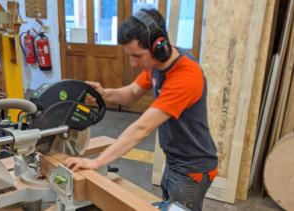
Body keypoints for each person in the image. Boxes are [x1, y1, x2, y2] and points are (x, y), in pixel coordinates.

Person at [64, 8, 218, 211]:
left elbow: (141, 128)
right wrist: (105, 94)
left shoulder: (185, 76)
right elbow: (133, 92)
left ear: (159, 47)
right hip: (175, 162)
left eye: (137, 56)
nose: (133, 63)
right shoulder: (157, 64)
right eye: (129, 55)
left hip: (192, 169)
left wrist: (97, 162)